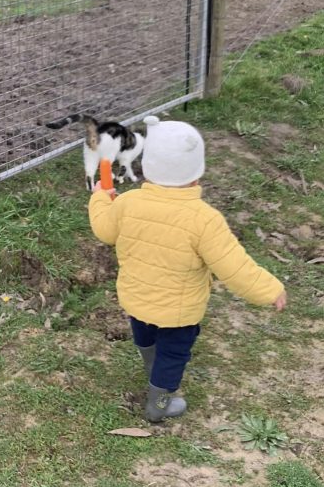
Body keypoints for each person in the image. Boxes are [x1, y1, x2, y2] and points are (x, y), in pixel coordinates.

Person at [88, 115, 287, 422]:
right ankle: (160, 403)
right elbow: (234, 267)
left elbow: (104, 229)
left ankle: (151, 369)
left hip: (136, 298)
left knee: (145, 335)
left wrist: (101, 198)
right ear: (196, 175)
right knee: (173, 353)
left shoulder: (128, 204)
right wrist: (269, 289)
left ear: (147, 167)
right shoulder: (204, 219)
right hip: (179, 312)